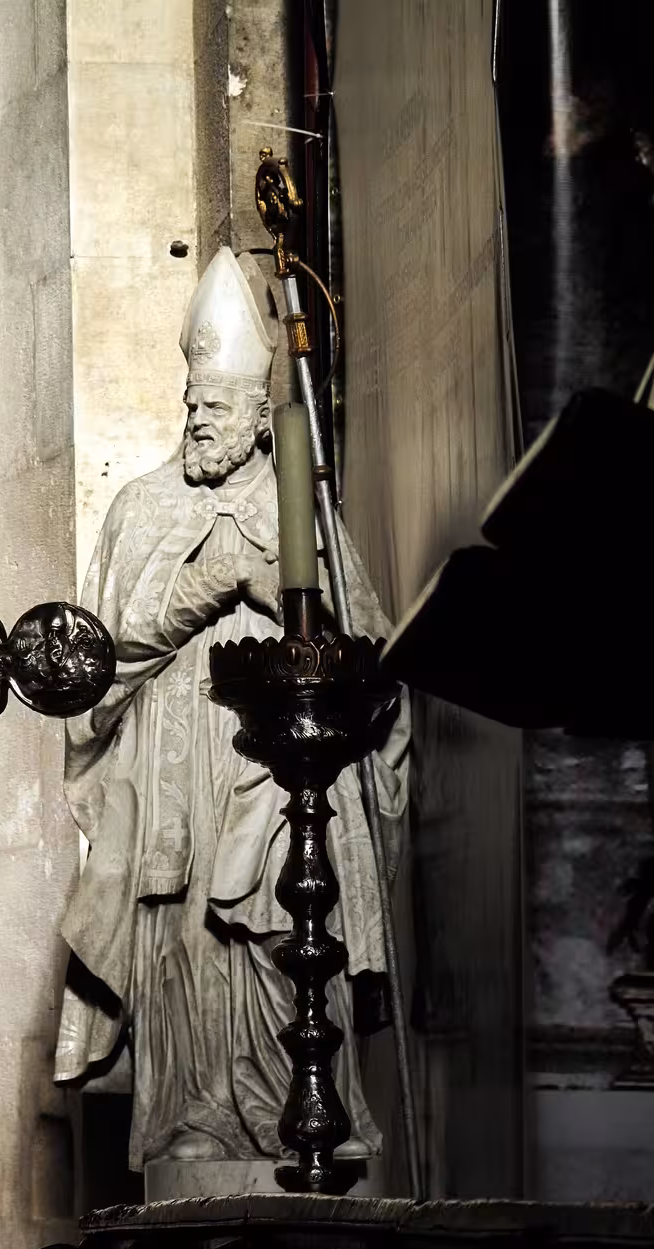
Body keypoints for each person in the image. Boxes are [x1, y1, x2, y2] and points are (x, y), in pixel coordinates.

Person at [55, 247, 410, 1170]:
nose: (194, 420)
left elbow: (377, 661)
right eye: (190, 404)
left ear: (263, 418)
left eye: (215, 408)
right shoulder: (141, 510)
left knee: (280, 935)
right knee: (182, 958)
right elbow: (95, 669)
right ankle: (191, 1127)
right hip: (170, 787)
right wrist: (209, 581)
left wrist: (300, 598)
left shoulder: (306, 509)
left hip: (277, 775)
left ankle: (310, 1119)